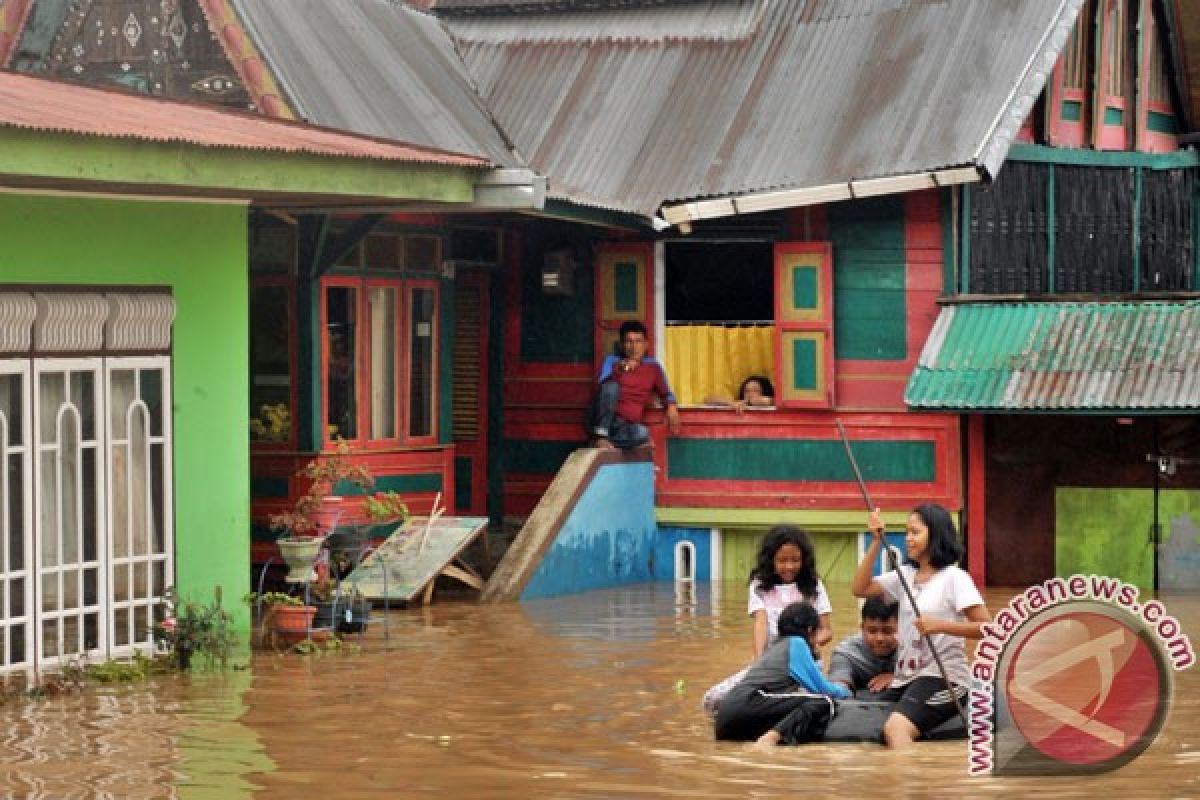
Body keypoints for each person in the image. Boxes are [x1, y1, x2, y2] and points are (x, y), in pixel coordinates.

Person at [850, 503, 989, 749]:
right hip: (906, 679)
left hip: (943, 678)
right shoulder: (904, 576)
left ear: (935, 535)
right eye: (907, 533)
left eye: (915, 532)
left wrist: (941, 626)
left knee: (896, 729)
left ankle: (912, 786)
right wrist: (875, 542)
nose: (908, 539)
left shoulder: (955, 578)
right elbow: (860, 589)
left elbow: (989, 628)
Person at [702, 526, 833, 715]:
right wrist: (759, 662)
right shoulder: (759, 585)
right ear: (770, 559)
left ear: (804, 560)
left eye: (795, 560)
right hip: (771, 662)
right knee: (713, 700)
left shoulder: (814, 585)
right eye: (782, 560)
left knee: (813, 704)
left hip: (806, 663)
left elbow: (827, 630)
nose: (789, 566)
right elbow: (760, 623)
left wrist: (810, 643)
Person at [714, 602, 850, 746]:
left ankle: (770, 736)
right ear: (810, 630)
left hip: (726, 721)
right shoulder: (796, 643)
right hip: (750, 702)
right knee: (825, 702)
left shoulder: (776, 647)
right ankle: (771, 739)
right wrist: (844, 691)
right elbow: (820, 689)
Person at [587, 320, 681, 449]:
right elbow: (603, 388)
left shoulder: (653, 367)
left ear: (646, 345)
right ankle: (600, 436)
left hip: (625, 426)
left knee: (642, 433)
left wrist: (671, 405)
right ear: (621, 345)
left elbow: (666, 393)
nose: (633, 346)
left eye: (638, 341)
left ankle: (604, 441)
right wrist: (619, 369)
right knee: (611, 386)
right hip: (604, 420)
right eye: (628, 341)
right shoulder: (612, 361)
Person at [828, 596, 899, 695]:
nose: (879, 638)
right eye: (872, 631)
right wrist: (841, 686)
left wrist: (898, 679)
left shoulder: (916, 651)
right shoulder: (846, 653)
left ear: (902, 628)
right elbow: (838, 688)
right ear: (862, 628)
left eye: (887, 631)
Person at [704, 375, 775, 414]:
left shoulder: (771, 403)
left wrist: (769, 401)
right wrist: (732, 403)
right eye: (747, 391)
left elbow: (779, 403)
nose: (750, 394)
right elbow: (708, 399)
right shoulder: (739, 405)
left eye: (755, 390)